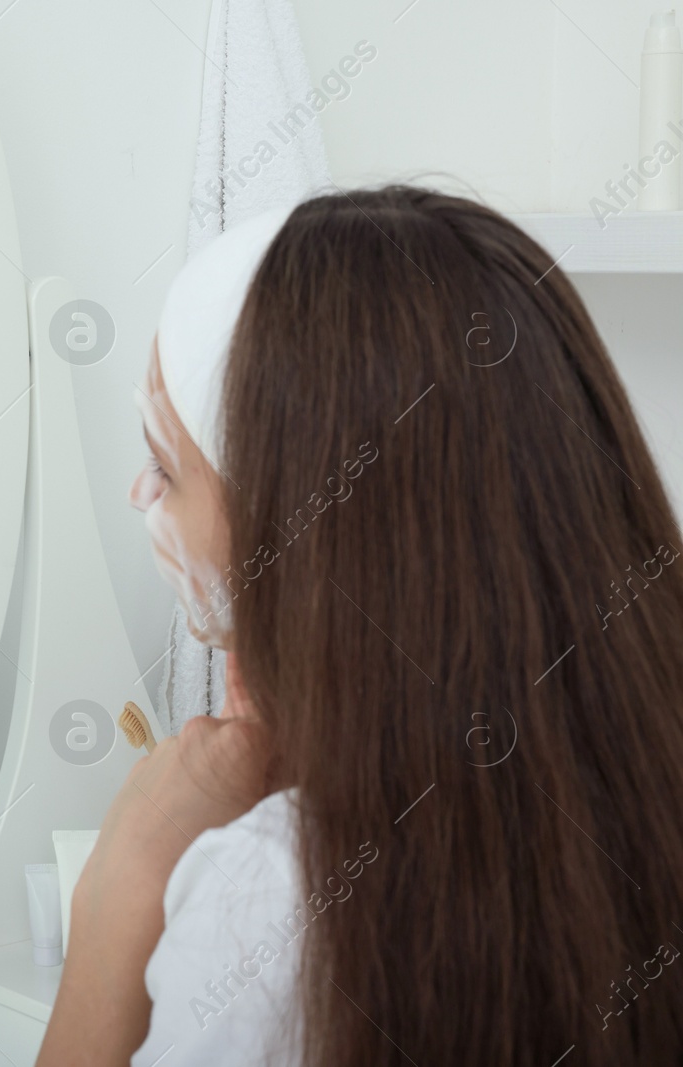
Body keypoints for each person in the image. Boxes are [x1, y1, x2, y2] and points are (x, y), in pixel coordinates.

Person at [39, 186, 683, 1065]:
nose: (140, 495)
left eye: (165, 464)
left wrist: (118, 893)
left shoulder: (267, 896)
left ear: (305, 526)